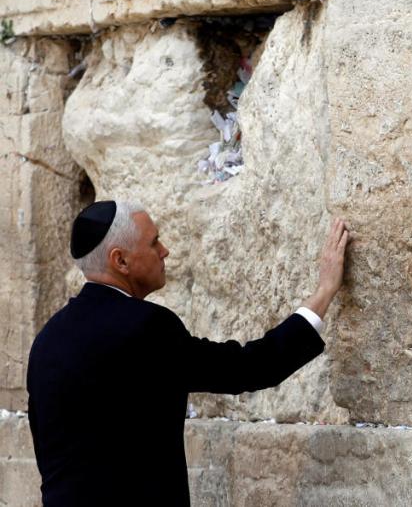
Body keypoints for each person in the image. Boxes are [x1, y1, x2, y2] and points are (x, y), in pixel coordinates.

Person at [27, 200, 350, 506]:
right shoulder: (144, 327)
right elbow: (248, 367)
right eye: (154, 243)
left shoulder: (47, 340)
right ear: (120, 260)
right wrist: (324, 292)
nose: (164, 251)